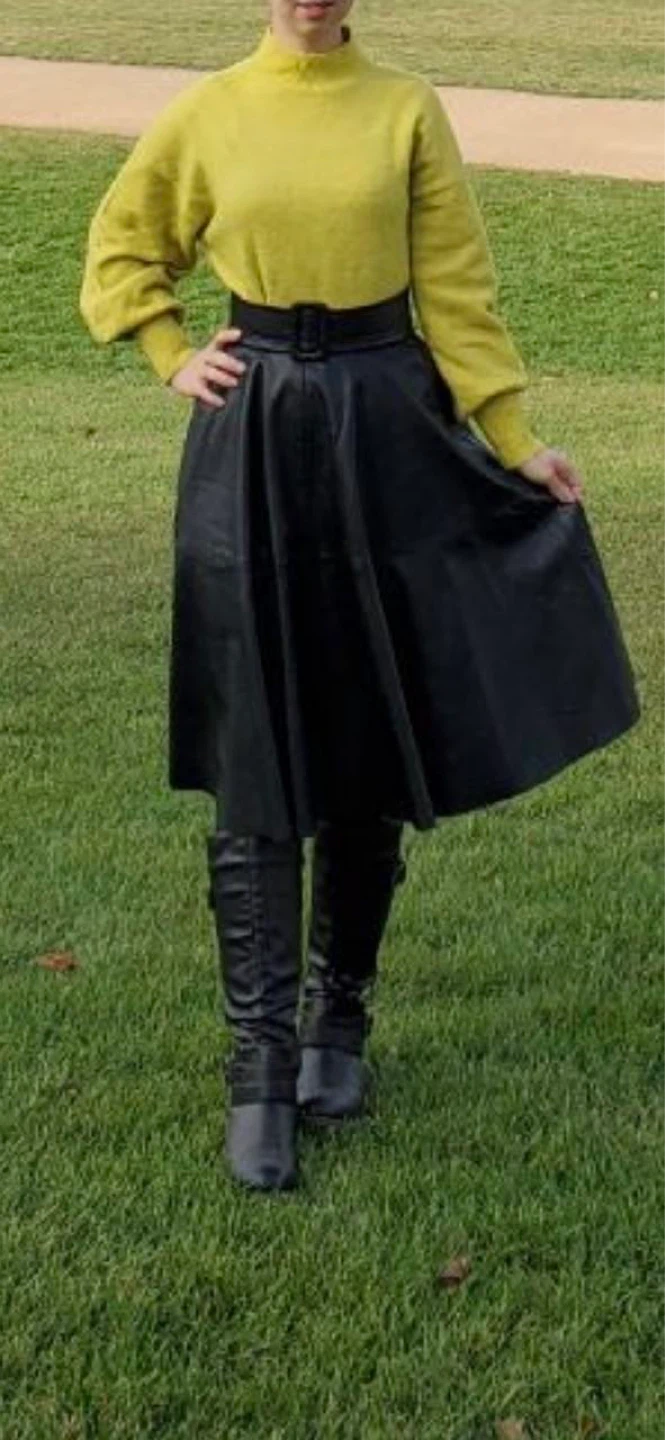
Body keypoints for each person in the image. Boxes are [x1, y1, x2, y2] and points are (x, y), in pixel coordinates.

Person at [79, 0, 640, 1194]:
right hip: (254, 435)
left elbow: (456, 289)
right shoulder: (209, 113)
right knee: (255, 744)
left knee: (364, 733)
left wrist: (513, 438)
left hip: (388, 429)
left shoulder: (403, 110)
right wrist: (170, 350)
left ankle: (338, 1023)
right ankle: (259, 1065)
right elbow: (124, 247)